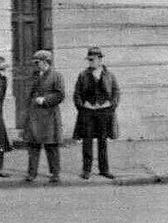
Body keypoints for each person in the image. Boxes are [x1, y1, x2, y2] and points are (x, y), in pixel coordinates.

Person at [73, 46, 119, 180]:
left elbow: (116, 92)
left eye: (93, 60)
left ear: (100, 60)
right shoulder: (83, 75)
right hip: (88, 113)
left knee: (102, 141)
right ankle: (86, 170)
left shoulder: (109, 75)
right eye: (89, 60)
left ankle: (104, 169)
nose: (90, 62)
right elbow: (77, 94)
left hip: (104, 113)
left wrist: (111, 104)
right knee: (87, 141)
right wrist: (82, 106)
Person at [22, 49, 65, 184]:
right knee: (33, 146)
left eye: (38, 62)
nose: (36, 65)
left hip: (49, 116)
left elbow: (60, 95)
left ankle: (55, 173)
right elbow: (30, 94)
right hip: (34, 115)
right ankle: (32, 173)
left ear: (46, 62)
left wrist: (45, 100)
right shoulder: (35, 76)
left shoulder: (56, 76)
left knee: (51, 146)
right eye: (35, 63)